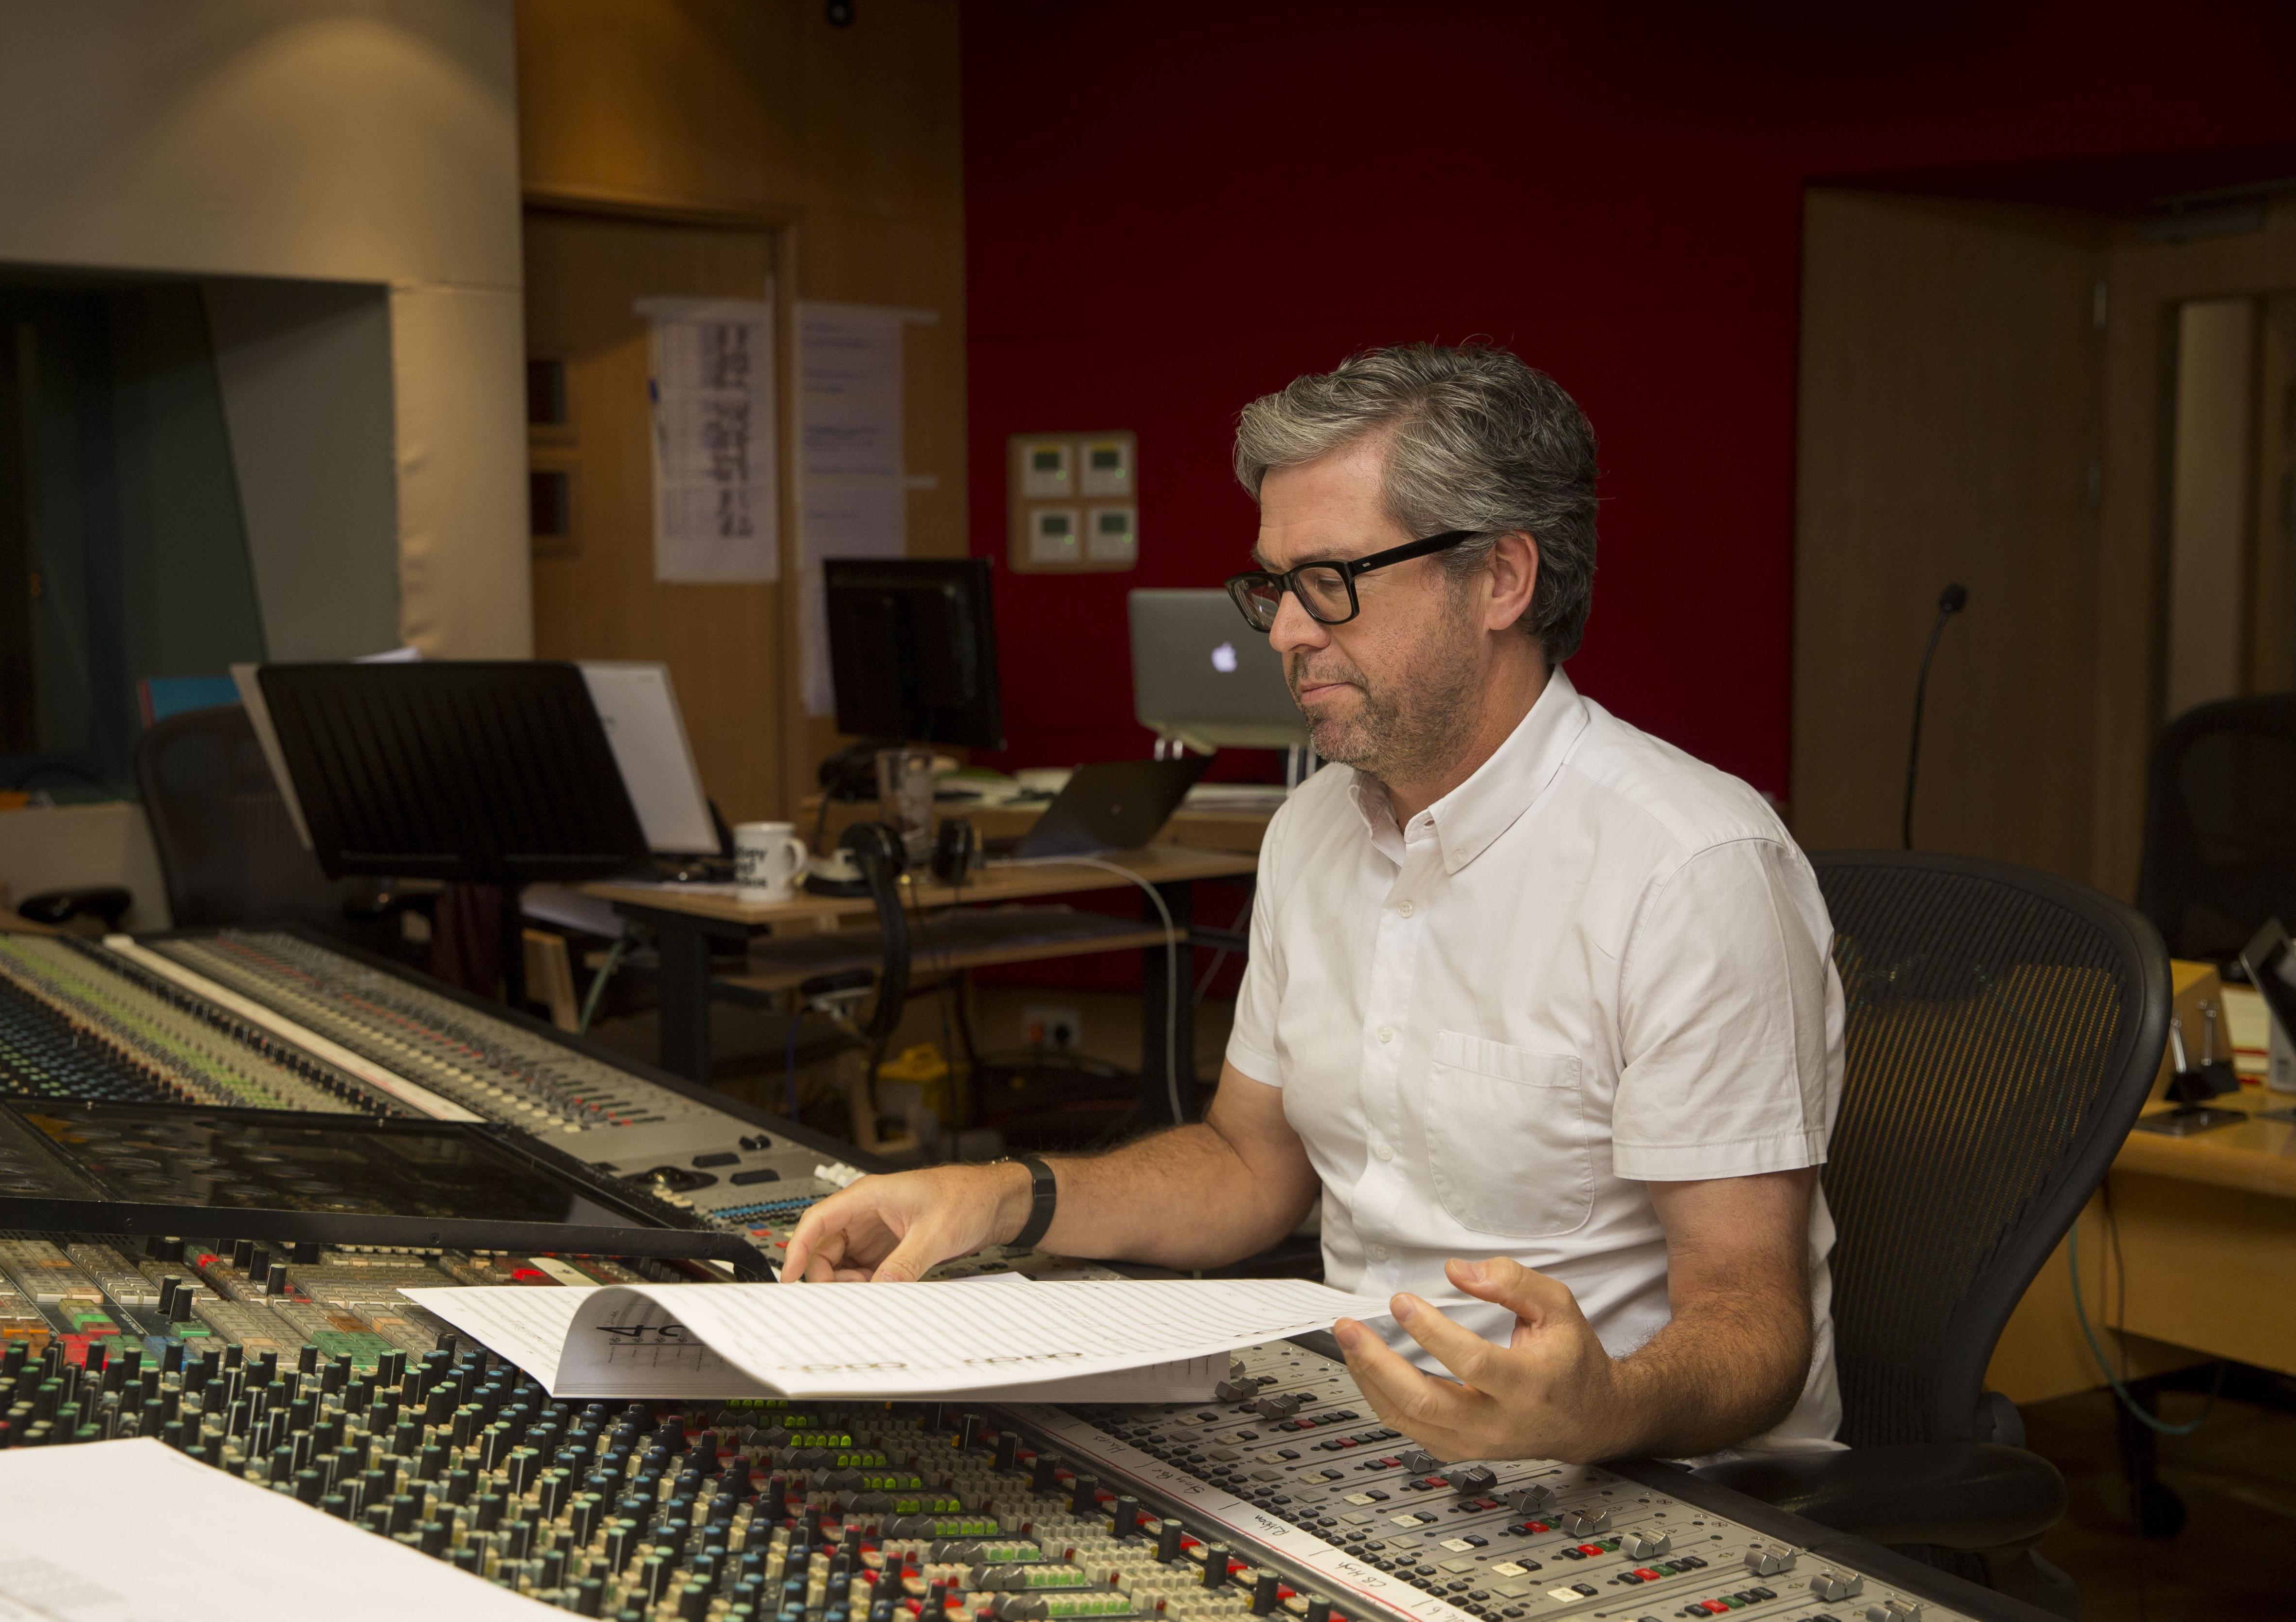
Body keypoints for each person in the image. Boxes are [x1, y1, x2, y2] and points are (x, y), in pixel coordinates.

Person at [781, 343, 1844, 1464]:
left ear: (1500, 578)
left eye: (1330, 579)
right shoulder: (1311, 829)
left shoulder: (1690, 865)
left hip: (1639, 1483)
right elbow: (1249, 1167)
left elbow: (1753, 1320)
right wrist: (1001, 1196)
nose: (1287, 630)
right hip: (1370, 1448)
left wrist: (1606, 1408)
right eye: (1274, 585)